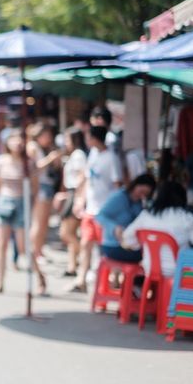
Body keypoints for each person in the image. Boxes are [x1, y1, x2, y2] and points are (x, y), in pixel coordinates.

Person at [0, 132, 46, 295]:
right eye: (13, 139)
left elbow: (35, 188)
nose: (17, 143)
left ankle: (40, 276)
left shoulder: (29, 163)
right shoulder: (1, 161)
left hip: (22, 203)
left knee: (23, 247)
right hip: (4, 202)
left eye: (19, 139)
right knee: (1, 244)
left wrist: (32, 207)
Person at [69, 125, 122, 293]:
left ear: (94, 138)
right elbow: (87, 178)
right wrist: (80, 200)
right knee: (86, 243)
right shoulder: (92, 154)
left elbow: (117, 185)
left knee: (104, 248)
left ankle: (112, 280)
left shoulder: (112, 158)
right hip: (90, 209)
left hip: (105, 212)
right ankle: (81, 279)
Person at [122, 182, 193, 277]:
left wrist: (141, 243)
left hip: (150, 270)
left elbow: (127, 239)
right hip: (180, 272)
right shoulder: (186, 218)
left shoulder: (146, 215)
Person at [96, 174, 157, 263]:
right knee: (148, 256)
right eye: (141, 191)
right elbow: (100, 216)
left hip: (130, 244)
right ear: (136, 185)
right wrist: (114, 228)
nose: (142, 195)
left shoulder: (139, 203)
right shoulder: (119, 197)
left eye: (146, 194)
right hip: (113, 245)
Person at [27, 123, 61, 264]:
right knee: (38, 222)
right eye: (46, 135)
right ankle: (34, 252)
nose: (48, 138)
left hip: (46, 185)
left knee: (43, 222)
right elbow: (34, 167)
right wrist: (51, 158)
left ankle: (39, 251)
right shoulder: (32, 146)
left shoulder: (41, 147)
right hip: (40, 186)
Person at [56, 128, 87, 277]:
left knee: (66, 233)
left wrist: (78, 198)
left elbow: (82, 177)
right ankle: (72, 266)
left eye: (68, 139)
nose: (66, 143)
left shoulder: (79, 155)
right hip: (71, 193)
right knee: (71, 233)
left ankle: (84, 258)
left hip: (76, 194)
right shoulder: (74, 155)